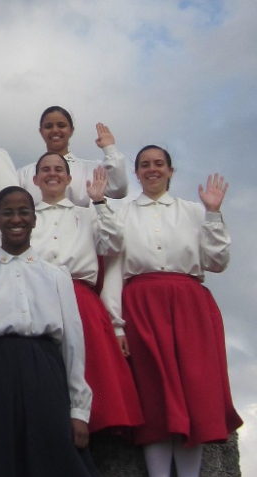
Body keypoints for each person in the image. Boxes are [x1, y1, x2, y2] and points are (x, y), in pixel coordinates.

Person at [101, 145, 242, 477]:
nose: (153, 170)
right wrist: (116, 325)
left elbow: (217, 262)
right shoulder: (121, 214)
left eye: (159, 164)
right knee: (154, 395)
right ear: (136, 173)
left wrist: (213, 213)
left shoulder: (195, 211)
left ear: (170, 171)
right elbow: (113, 270)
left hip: (190, 306)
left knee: (195, 393)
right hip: (142, 308)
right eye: (145, 165)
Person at [0, 186, 96, 477]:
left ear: (35, 219)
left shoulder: (56, 275)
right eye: (8, 212)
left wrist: (79, 410)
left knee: (49, 456)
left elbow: (73, 345)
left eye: (24, 211)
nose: (16, 219)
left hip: (44, 371)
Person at [30, 152, 143, 433]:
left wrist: (100, 202)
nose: (52, 174)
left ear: (69, 178)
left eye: (59, 169)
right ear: (35, 179)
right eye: (45, 169)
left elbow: (114, 244)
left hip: (80, 298)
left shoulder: (88, 213)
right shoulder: (26, 216)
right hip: (36, 299)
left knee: (90, 370)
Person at [18, 105, 128, 206]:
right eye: (48, 126)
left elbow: (119, 190)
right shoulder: (24, 174)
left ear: (71, 130)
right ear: (41, 131)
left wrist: (109, 148)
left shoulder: (91, 169)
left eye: (61, 125)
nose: (55, 130)